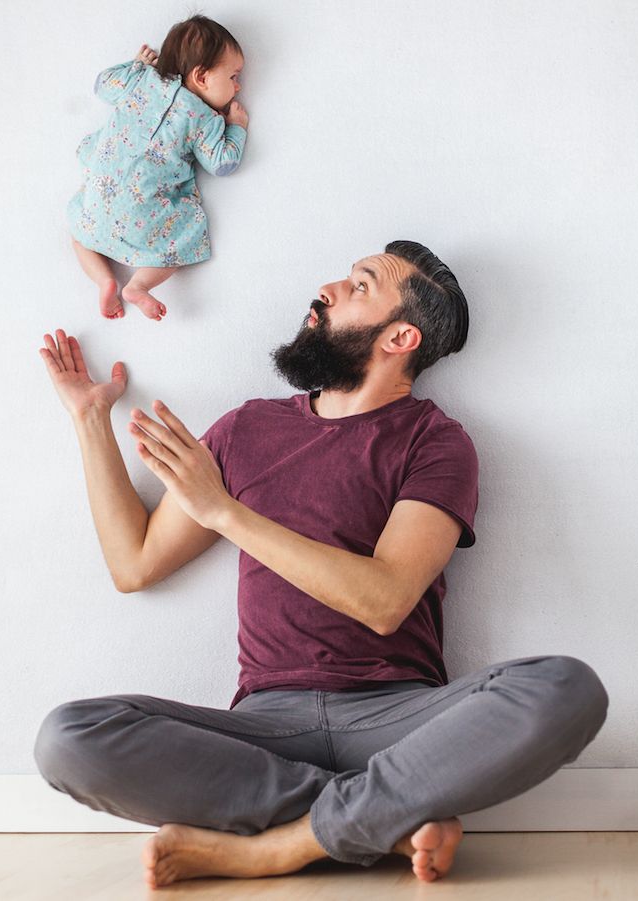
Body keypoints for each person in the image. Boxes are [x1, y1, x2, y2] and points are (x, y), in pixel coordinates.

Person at [34, 240, 608, 889]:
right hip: (263, 730)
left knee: (564, 687)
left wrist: (225, 512)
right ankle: (377, 820)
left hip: (394, 719)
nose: (328, 289)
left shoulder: (435, 441)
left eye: (360, 285)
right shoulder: (245, 429)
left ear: (400, 337)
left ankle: (279, 846)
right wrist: (89, 419)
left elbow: (385, 599)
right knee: (68, 737)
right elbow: (133, 563)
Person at [68, 15, 248, 321]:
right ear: (201, 77)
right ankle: (137, 286)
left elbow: (102, 85)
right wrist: (237, 128)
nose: (239, 86)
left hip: (97, 205)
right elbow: (222, 163)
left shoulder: (141, 79)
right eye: (232, 77)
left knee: (77, 235)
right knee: (185, 239)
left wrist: (136, 63)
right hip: (143, 216)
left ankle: (104, 280)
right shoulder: (203, 118)